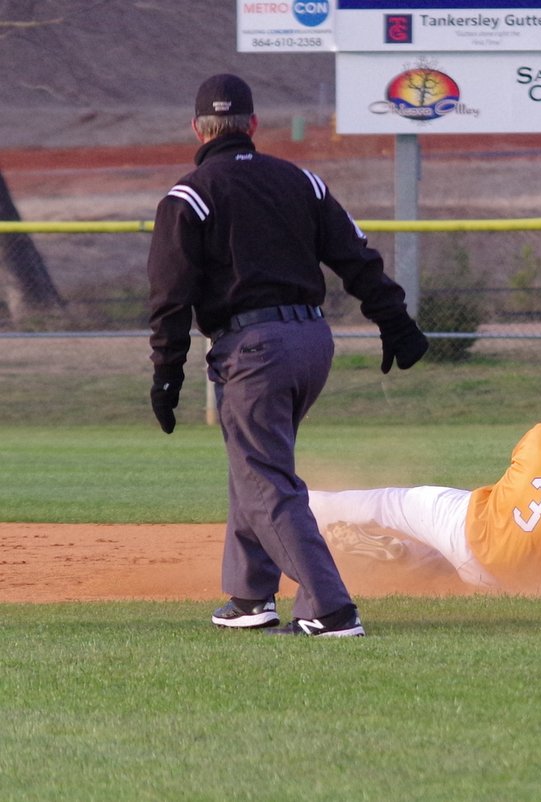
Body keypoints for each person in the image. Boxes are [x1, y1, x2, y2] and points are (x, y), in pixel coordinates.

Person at [146, 74, 428, 637]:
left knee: (265, 479)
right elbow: (357, 257)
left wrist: (167, 372)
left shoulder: (190, 195)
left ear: (198, 129)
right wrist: (395, 322)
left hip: (254, 349)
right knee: (255, 466)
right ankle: (251, 595)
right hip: (312, 342)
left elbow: (170, 296)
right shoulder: (302, 181)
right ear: (252, 125)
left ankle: (330, 608)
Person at [307, 375, 541, 591]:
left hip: (463, 526)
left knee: (388, 504)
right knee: (462, 555)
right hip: (494, 580)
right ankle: (407, 554)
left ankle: (300, 503)